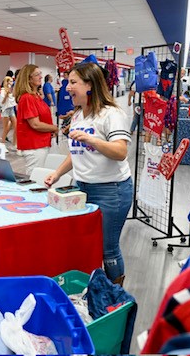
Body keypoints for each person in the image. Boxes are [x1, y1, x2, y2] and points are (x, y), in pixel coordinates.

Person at [44, 61, 133, 286]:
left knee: (108, 249)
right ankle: (92, 288)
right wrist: (56, 174)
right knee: (85, 245)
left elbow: (121, 151)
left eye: (73, 82)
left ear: (90, 85)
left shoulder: (111, 114)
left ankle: (116, 298)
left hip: (111, 191)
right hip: (81, 189)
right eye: (67, 82)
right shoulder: (77, 116)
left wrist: (92, 139)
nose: (67, 88)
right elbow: (77, 154)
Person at [13, 64, 57, 174]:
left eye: (40, 74)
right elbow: (35, 124)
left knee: (42, 177)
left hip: (41, 143)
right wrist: (54, 128)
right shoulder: (27, 97)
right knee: (35, 180)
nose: (41, 77)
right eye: (37, 74)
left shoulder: (35, 96)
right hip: (34, 146)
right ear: (28, 78)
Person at [0, 75, 16, 145]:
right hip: (5, 109)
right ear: (7, 82)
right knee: (6, 128)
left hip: (11, 109)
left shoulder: (12, 90)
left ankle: (15, 143)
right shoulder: (3, 90)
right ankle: (2, 143)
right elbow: (2, 101)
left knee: (16, 125)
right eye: (11, 81)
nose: (12, 82)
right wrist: (7, 94)